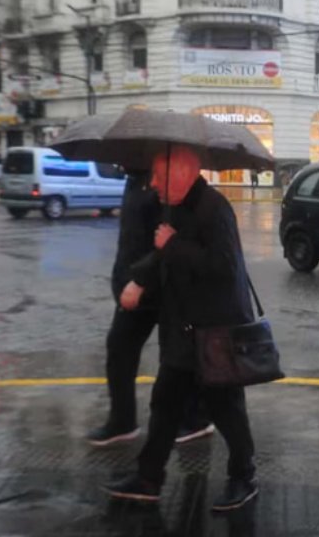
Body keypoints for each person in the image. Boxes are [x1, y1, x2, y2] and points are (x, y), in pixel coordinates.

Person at [104, 146, 259, 512]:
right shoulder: (175, 206)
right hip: (183, 330)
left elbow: (223, 266)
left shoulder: (214, 207)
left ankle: (243, 475)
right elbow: (162, 257)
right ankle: (148, 478)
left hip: (216, 332)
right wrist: (139, 281)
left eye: (159, 176)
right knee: (165, 405)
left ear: (182, 173)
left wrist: (172, 244)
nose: (153, 184)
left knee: (226, 410)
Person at [86, 170, 213, 447]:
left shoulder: (164, 180)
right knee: (119, 348)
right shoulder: (134, 179)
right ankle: (122, 420)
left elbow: (169, 237)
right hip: (132, 284)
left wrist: (141, 280)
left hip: (163, 285)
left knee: (177, 357)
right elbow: (132, 237)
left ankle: (196, 418)